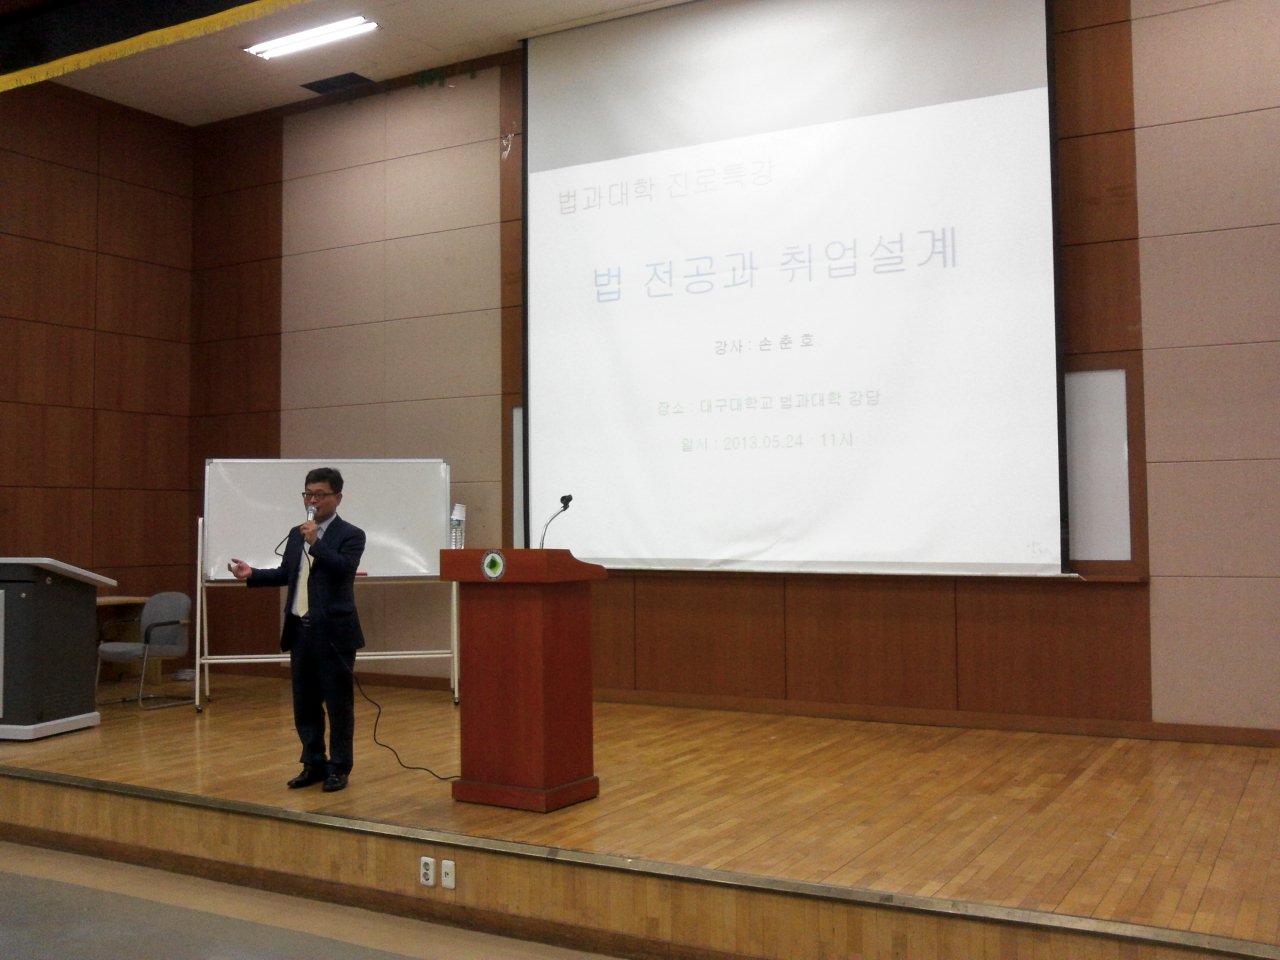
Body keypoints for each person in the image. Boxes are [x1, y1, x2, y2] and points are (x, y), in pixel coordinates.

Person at [228, 467, 365, 793]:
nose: (312, 501)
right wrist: (252, 574)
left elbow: (344, 569)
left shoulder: (351, 534)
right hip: (300, 631)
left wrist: (316, 541)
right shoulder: (296, 533)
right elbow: (287, 573)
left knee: (338, 705)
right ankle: (313, 763)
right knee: (305, 704)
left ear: (337, 498)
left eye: (320, 495)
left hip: (333, 634)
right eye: (308, 494)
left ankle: (339, 767)